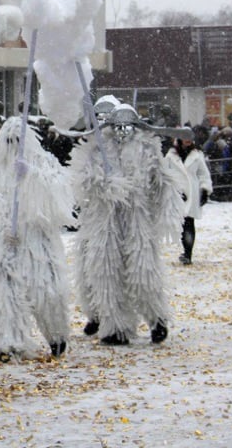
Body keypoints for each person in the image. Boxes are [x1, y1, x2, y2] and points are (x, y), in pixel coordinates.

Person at [70, 103, 183, 346]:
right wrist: (105, 185)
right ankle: (115, 326)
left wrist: (168, 209)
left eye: (127, 126)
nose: (122, 131)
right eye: (117, 126)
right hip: (105, 221)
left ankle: (157, 318)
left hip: (137, 219)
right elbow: (83, 180)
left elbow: (163, 180)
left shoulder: (147, 148)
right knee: (106, 271)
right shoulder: (97, 149)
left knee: (144, 271)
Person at [0, 117, 75, 361]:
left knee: (45, 290)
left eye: (18, 140)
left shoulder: (45, 163)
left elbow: (60, 197)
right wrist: (3, 227)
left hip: (37, 241)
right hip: (7, 242)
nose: (13, 145)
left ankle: (56, 335)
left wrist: (32, 176)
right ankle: (10, 343)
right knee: (8, 292)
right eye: (8, 141)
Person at [165, 133, 213, 265]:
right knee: (181, 223)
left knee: (189, 222)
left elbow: (204, 174)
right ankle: (186, 251)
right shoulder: (170, 156)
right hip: (177, 193)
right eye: (185, 137)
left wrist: (205, 190)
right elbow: (165, 175)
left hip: (192, 193)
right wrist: (173, 190)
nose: (188, 140)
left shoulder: (197, 155)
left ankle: (188, 253)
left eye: (190, 137)